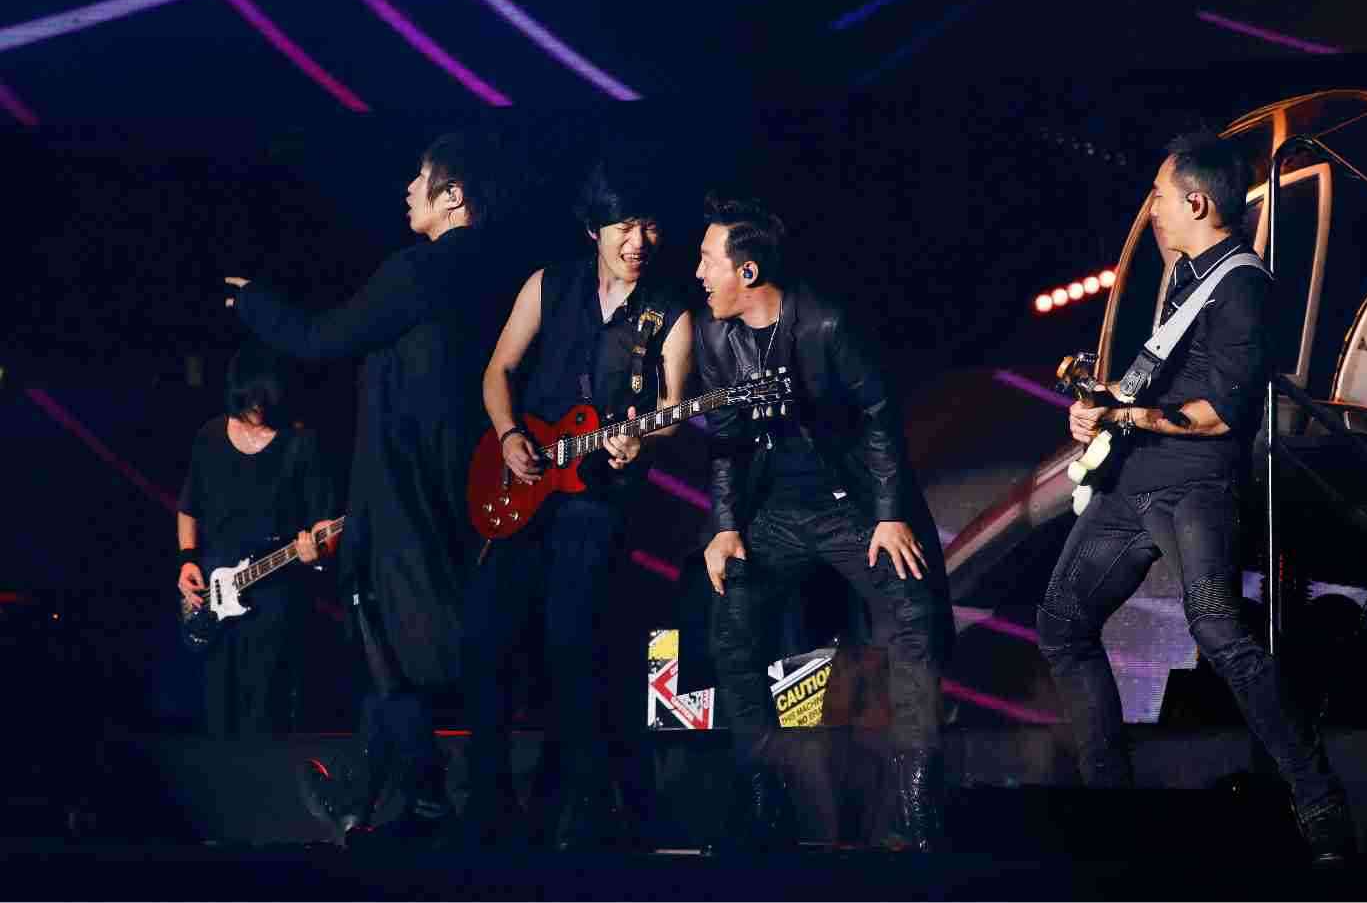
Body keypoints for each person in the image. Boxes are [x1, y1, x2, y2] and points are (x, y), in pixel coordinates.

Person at [1037, 131, 1356, 863]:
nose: (1150, 209)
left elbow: (1218, 414)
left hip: (1194, 487)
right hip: (1131, 483)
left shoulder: (1243, 287)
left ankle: (1319, 801)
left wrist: (1122, 417)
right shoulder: (1187, 277)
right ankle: (1109, 812)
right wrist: (1102, 404)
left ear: (1198, 203)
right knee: (1061, 625)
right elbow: (1165, 384)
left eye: (1159, 196)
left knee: (1219, 635)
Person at [225, 132, 510, 843]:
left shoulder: (421, 270)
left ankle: (419, 797)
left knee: (387, 641)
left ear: (453, 196)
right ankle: (381, 795)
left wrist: (254, 304)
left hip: (401, 490)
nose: (408, 190)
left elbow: (321, 339)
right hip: (466, 485)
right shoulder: (499, 273)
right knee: (404, 643)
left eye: (421, 178)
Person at [696, 195, 953, 852]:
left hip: (854, 507)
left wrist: (890, 516)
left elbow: (880, 418)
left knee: (914, 617)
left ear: (747, 271)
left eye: (707, 260)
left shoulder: (826, 325)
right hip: (774, 513)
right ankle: (764, 798)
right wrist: (725, 525)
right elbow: (725, 441)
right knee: (731, 621)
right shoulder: (714, 335)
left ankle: (917, 808)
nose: (698, 273)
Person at [464, 159, 692, 849]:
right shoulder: (548, 284)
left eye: (649, 226)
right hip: (522, 485)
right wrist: (508, 435)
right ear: (593, 227)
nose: (638, 241)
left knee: (573, 648)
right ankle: (486, 805)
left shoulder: (669, 312)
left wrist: (642, 441)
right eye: (623, 225)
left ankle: (574, 810)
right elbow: (498, 369)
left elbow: (672, 410)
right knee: (486, 639)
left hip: (597, 501)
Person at [177, 342, 338, 736]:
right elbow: (188, 507)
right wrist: (187, 560)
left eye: (263, 402)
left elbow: (326, 524)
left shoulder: (301, 443)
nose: (256, 411)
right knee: (216, 713)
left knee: (265, 713)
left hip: (274, 597)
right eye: (249, 402)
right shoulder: (209, 436)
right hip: (214, 593)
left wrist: (316, 552)